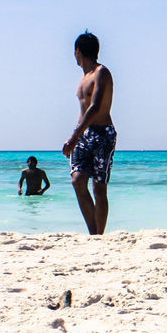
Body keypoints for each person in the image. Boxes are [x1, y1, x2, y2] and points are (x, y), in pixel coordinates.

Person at [61, 32, 116, 235]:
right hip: (84, 134)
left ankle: (97, 237)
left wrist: (74, 136)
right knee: (77, 180)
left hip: (102, 134)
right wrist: (78, 135)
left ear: (78, 51)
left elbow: (95, 107)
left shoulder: (102, 72)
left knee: (99, 188)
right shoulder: (83, 78)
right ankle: (94, 233)